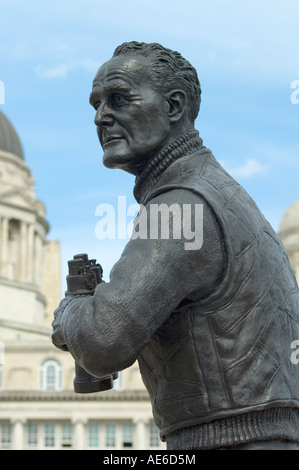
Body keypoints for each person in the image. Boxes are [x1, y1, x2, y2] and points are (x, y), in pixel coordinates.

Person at [52, 42, 299, 450]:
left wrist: (70, 312)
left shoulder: (181, 205)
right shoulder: (221, 193)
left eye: (118, 99)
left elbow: (102, 341)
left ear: (173, 107)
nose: (101, 117)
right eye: (95, 104)